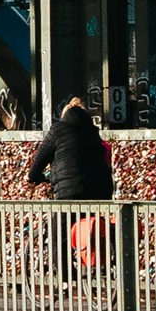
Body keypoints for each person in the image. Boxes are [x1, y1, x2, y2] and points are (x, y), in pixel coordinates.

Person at [28, 94, 115, 276]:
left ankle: (65, 275)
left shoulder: (58, 130)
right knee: (92, 224)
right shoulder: (92, 131)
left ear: (64, 115)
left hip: (70, 191)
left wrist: (33, 177)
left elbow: (40, 159)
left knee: (59, 231)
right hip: (101, 188)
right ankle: (101, 264)